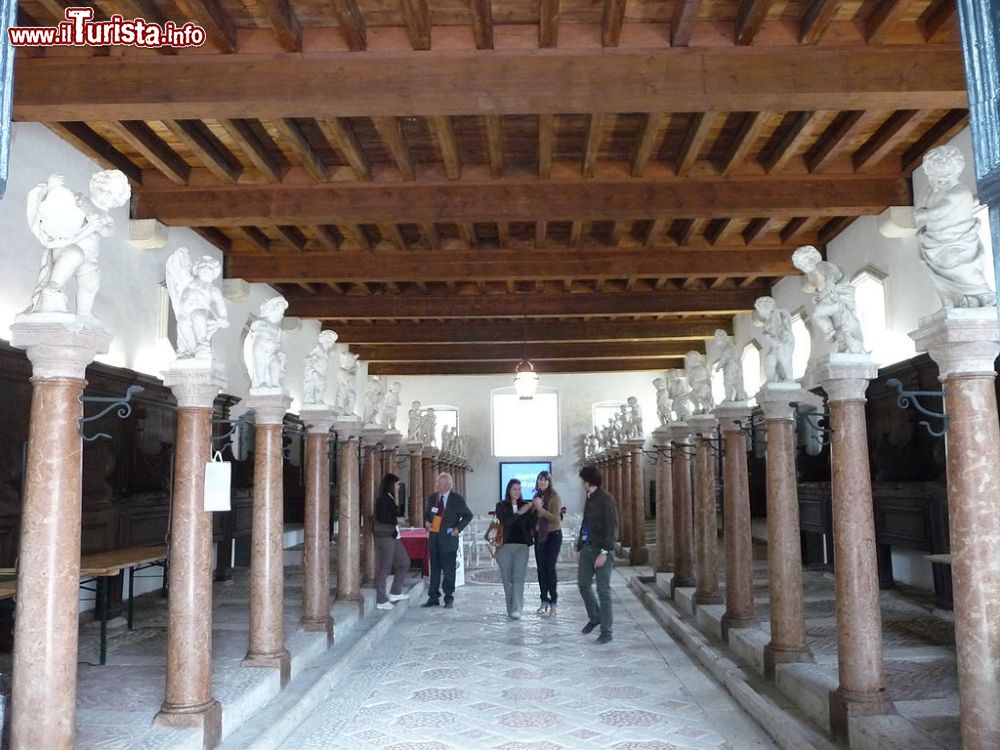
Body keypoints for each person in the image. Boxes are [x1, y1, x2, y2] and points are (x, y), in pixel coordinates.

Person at [576, 465, 619, 644]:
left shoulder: (606, 499)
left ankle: (606, 631)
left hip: (603, 551)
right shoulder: (589, 498)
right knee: (583, 584)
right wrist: (579, 547)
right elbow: (585, 523)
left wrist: (604, 552)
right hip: (587, 548)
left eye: (582, 480)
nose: (581, 483)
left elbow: (612, 528)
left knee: (603, 590)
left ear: (588, 481)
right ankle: (595, 616)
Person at [422, 472, 473, 609]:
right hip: (434, 539)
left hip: (448, 540)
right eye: (437, 483)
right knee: (435, 570)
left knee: (449, 570)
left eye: (441, 484)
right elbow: (427, 514)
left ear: (449, 485)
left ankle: (448, 597)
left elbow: (468, 515)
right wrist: (426, 523)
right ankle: (433, 597)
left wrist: (458, 529)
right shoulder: (433, 498)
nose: (438, 486)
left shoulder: (457, 499)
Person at [494, 479, 535, 620]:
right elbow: (506, 522)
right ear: (509, 490)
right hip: (505, 546)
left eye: (519, 489)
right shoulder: (501, 505)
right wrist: (519, 513)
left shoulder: (526, 505)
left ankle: (517, 609)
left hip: (522, 545)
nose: (517, 492)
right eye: (514, 489)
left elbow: (531, 524)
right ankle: (510, 608)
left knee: (519, 577)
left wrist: (533, 510)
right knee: (507, 579)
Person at [373, 473, 411, 611]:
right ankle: (381, 599)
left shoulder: (391, 498)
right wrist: (397, 520)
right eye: (396, 484)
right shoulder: (382, 499)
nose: (398, 487)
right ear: (390, 485)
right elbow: (383, 517)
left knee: (404, 562)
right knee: (385, 567)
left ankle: (395, 591)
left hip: (393, 535)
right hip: (384, 536)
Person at [531, 471, 562, 617]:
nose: (542, 482)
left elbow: (555, 519)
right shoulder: (536, 496)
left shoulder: (554, 497)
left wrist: (540, 509)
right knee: (541, 569)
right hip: (540, 537)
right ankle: (544, 600)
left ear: (549, 482)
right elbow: (534, 516)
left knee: (550, 568)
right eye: (540, 480)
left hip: (553, 535)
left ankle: (554, 601)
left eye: (545, 480)